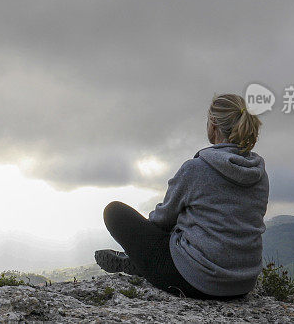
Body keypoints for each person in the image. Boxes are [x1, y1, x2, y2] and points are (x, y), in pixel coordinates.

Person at [95, 93, 269, 300]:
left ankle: (139, 262)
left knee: (114, 212)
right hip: (243, 284)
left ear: (213, 125)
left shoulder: (197, 169)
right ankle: (142, 260)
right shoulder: (259, 173)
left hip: (196, 281)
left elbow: (162, 219)